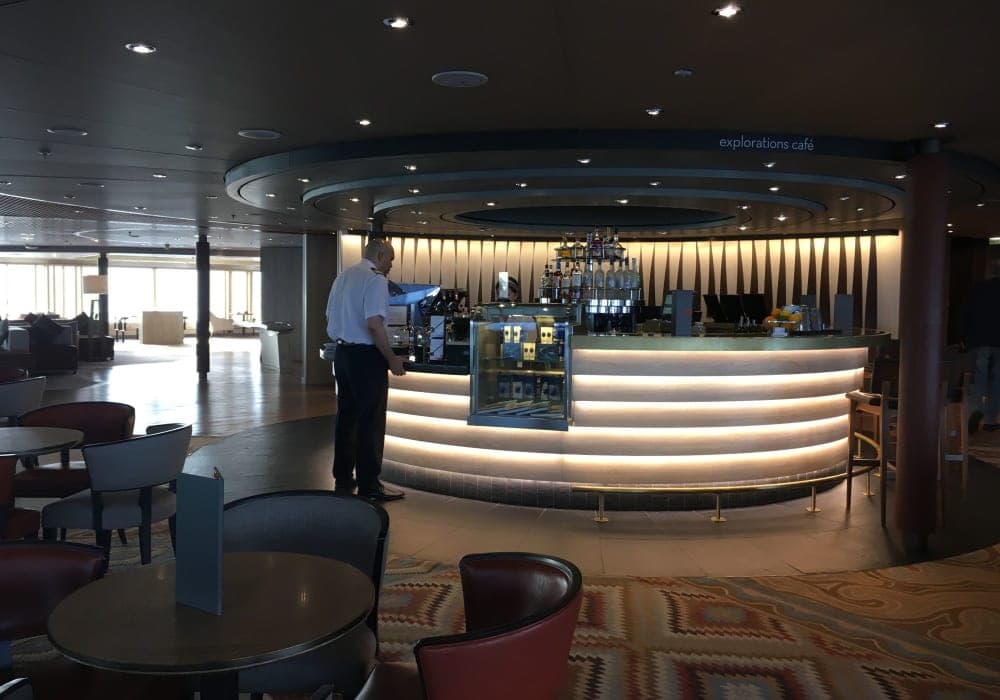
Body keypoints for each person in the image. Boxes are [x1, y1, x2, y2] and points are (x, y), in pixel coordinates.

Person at [326, 238, 407, 501]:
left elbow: (329, 316)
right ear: (380, 255)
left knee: (346, 416)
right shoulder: (376, 280)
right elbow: (374, 324)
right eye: (391, 259)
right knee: (370, 422)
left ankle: (343, 476)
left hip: (342, 354)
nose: (391, 265)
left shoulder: (343, 277)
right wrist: (391, 358)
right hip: (365, 358)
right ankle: (370, 485)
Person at [963, 258, 1000, 433]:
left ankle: (976, 409)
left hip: (978, 340)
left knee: (978, 379)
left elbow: (966, 314)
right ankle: (990, 420)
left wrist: (964, 338)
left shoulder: (978, 289)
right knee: (997, 381)